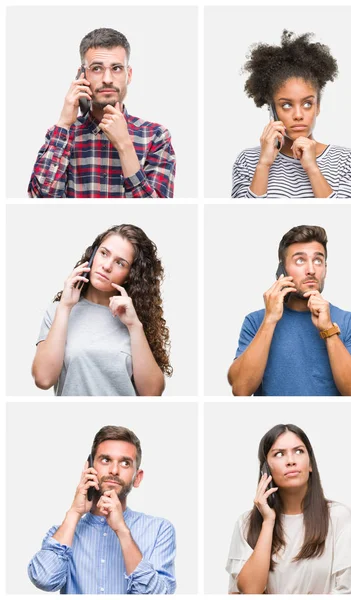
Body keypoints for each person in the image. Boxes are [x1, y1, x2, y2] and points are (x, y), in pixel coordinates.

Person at [28, 28, 176, 198]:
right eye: (97, 68)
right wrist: (64, 124)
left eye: (117, 68)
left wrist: (124, 145)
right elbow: (39, 198)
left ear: (128, 74)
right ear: (82, 75)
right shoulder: (62, 136)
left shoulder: (156, 136)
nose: (107, 79)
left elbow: (155, 210)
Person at [28, 426, 176, 594]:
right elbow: (44, 580)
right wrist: (75, 513)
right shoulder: (63, 534)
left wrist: (122, 531)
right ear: (89, 469)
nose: (114, 470)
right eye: (105, 460)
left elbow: (157, 595)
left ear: (138, 477)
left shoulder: (159, 530)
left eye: (125, 463)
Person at [226, 423, 351, 593]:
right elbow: (250, 591)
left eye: (299, 451)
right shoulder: (246, 524)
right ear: (266, 469)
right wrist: (268, 521)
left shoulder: (338, 517)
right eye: (279, 454)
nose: (291, 461)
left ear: (310, 464)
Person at [228, 225, 351, 396]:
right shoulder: (256, 321)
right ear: (282, 270)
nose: (311, 270)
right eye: (300, 260)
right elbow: (240, 389)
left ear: (325, 268)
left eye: (318, 260)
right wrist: (270, 320)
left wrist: (329, 331)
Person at [32, 224, 171, 396]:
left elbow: (152, 393)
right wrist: (65, 307)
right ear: (93, 255)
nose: (106, 266)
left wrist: (134, 326)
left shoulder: (135, 319)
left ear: (131, 275)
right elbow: (43, 379)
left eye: (120, 263)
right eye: (104, 253)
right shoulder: (58, 311)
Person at [232, 30, 351, 198]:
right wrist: (263, 164)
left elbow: (347, 215)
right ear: (272, 109)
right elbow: (247, 217)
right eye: (287, 105)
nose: (298, 115)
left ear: (317, 107)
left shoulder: (346, 160)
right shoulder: (248, 160)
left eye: (307, 104)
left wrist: (312, 168)